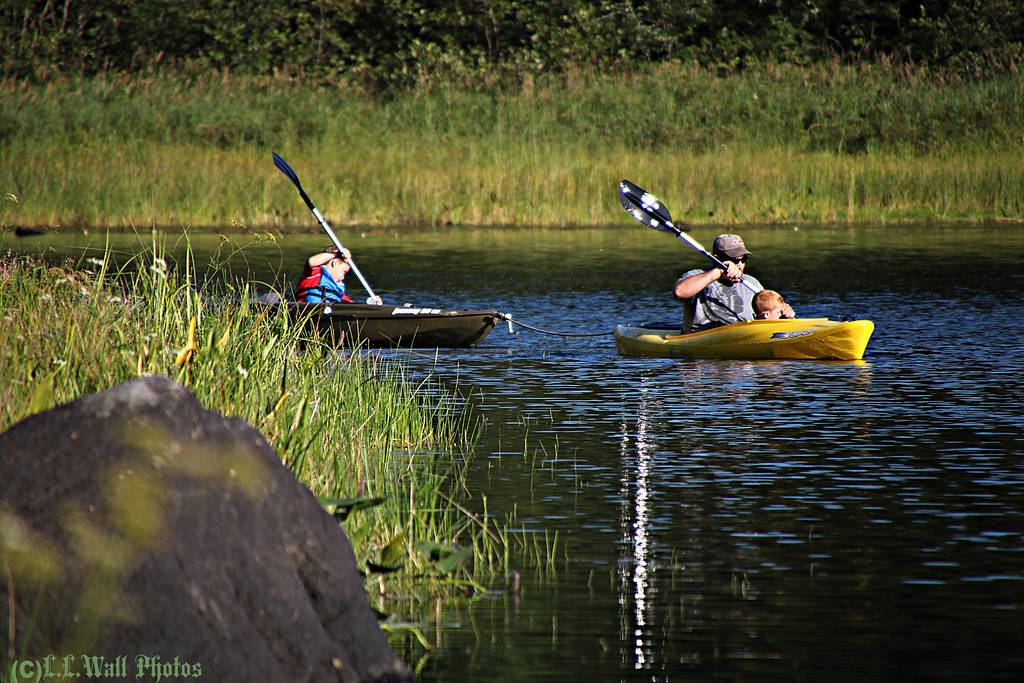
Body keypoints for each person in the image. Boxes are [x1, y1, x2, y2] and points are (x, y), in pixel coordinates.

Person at [673, 233, 764, 331]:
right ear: (717, 259)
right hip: (703, 338)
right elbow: (679, 292)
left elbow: (769, 312)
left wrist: (781, 309)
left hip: (741, 336)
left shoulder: (752, 283)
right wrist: (718, 272)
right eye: (735, 260)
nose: (740, 266)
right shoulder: (696, 276)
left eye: (743, 260)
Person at [295, 245, 382, 304]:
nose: (343, 277)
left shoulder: (337, 289)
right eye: (344, 272)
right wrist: (337, 254)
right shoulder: (314, 274)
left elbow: (353, 306)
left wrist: (372, 305)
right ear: (335, 262)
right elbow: (311, 261)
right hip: (308, 317)